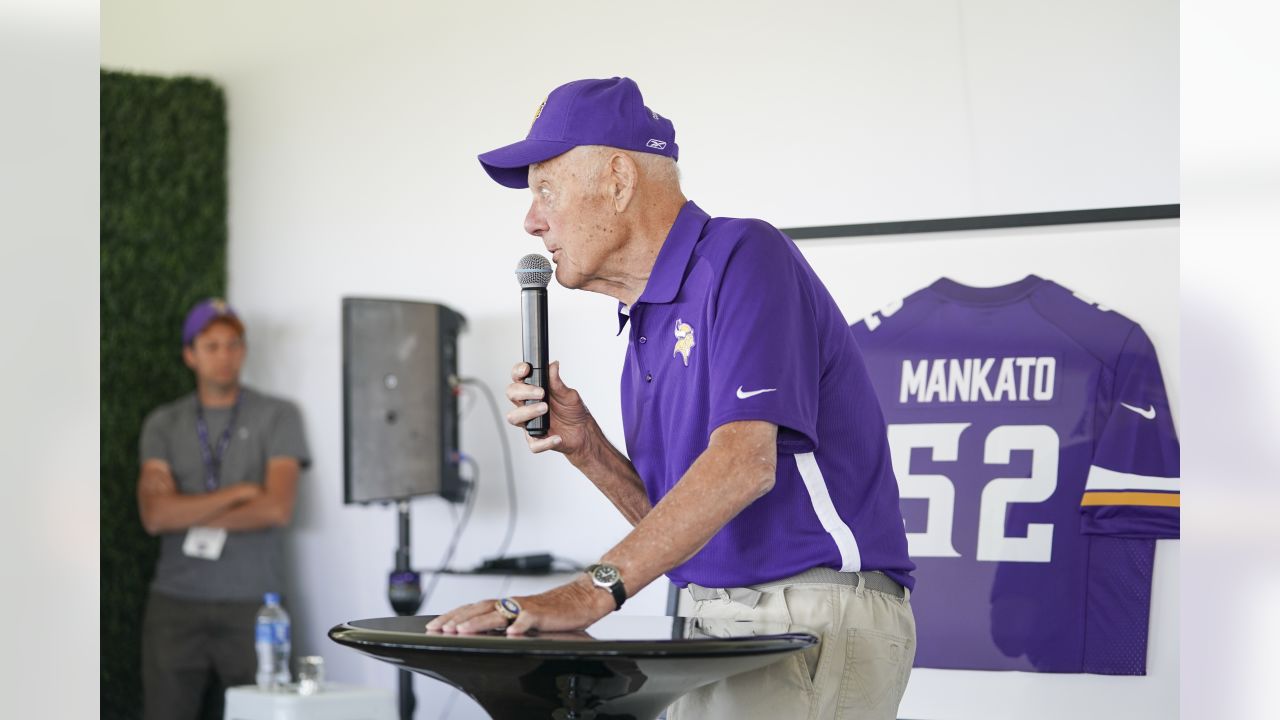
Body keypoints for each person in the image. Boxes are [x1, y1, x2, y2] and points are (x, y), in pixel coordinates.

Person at [427, 77, 916, 719]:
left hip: (805, 609)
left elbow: (745, 464)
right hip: (713, 615)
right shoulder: (646, 320)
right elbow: (687, 523)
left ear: (619, 179)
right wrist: (589, 448)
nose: (530, 219)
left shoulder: (745, 256)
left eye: (546, 188)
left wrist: (590, 591)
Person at [136, 298, 310, 720]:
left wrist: (185, 507)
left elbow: (276, 509)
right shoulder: (163, 423)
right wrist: (239, 493)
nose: (225, 356)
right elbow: (155, 517)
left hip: (254, 603)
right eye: (211, 346)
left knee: (263, 714)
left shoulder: (278, 415)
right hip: (175, 604)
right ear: (190, 354)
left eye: (233, 344)